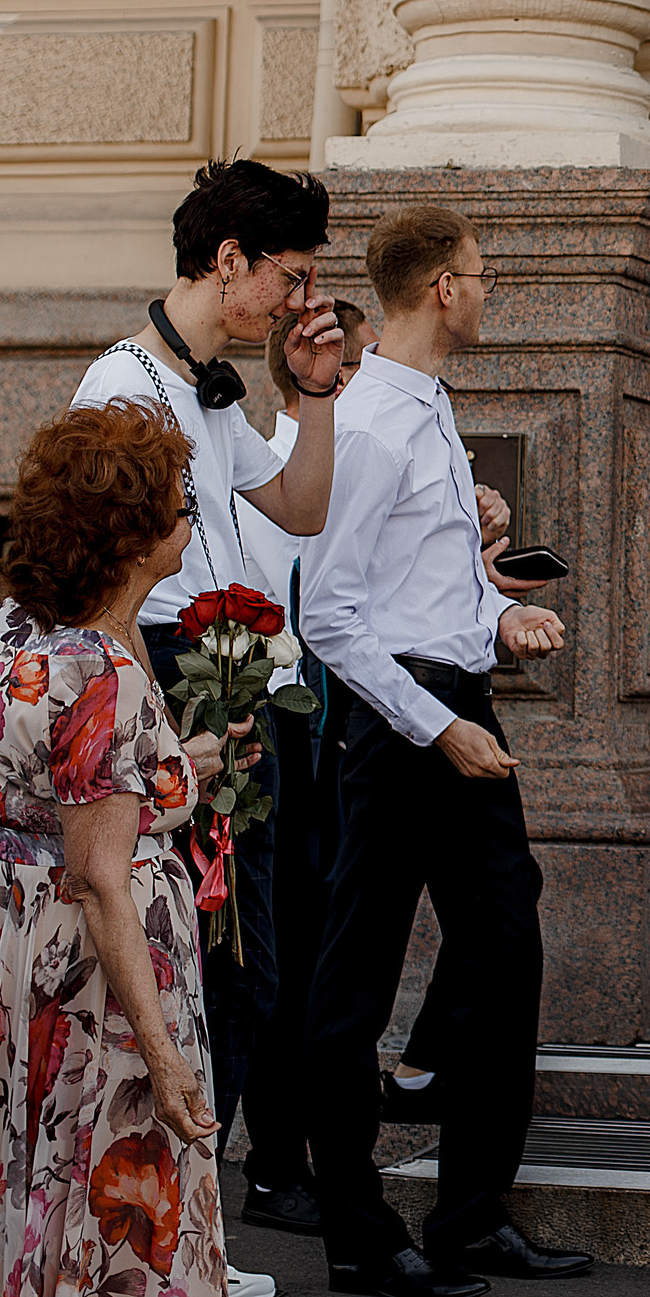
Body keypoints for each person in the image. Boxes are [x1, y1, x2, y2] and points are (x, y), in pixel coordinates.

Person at [0, 400, 255, 1297]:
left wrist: (184, 762)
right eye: (182, 506)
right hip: (88, 974)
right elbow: (98, 876)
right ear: (135, 538)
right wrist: (164, 1057)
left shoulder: (13, 626)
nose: (191, 520)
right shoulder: (103, 671)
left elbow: (55, 783)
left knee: (10, 1164)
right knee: (95, 1187)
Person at [71, 156, 343, 1297]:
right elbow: (105, 592)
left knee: (240, 975)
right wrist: (162, 739)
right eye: (288, 275)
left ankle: (181, 1232)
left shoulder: (211, 389)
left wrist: (315, 393)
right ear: (229, 259)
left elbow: (300, 509)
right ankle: (159, 1243)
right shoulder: (124, 386)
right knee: (191, 971)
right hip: (172, 684)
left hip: (233, 680)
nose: (295, 300)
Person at [299, 204, 586, 1297]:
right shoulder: (370, 421)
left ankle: (470, 1216)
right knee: (355, 982)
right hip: (399, 725)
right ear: (441, 289)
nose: (488, 288)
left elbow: (422, 588)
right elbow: (330, 615)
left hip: (457, 701)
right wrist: (438, 723)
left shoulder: (429, 402)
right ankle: (358, 1235)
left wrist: (499, 618)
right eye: (480, 272)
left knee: (506, 943)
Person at [231, 299, 374, 1237]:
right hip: (283, 728)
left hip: (345, 730)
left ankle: (318, 1153)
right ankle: (275, 1162)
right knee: (280, 953)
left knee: (331, 953)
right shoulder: (272, 469)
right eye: (357, 368)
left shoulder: (359, 461)